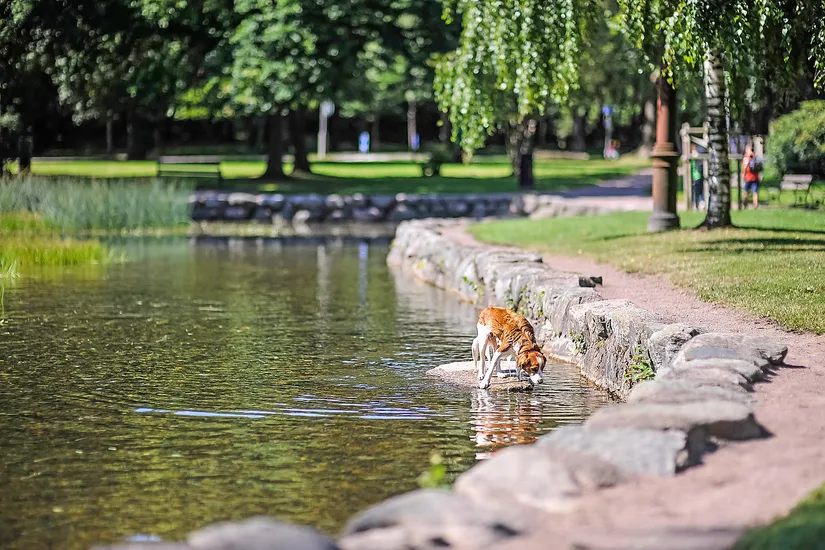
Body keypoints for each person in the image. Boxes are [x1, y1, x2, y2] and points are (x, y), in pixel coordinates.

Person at [742, 143, 764, 208]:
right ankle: (755, 203)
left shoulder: (746, 157)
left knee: (746, 191)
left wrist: (743, 173)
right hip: (755, 177)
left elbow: (745, 167)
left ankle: (745, 203)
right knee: (755, 191)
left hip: (748, 177)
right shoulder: (755, 156)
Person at [690, 144, 705, 210]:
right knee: (696, 191)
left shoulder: (698, 158)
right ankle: (696, 204)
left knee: (699, 191)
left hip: (697, 177)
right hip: (695, 177)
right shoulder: (692, 159)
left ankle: (699, 204)